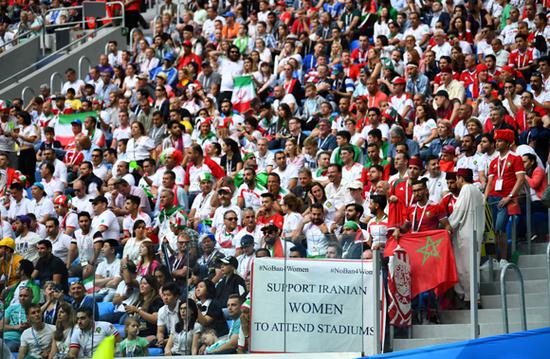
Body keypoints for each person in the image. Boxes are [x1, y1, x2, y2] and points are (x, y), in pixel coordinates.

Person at [484, 129, 525, 264]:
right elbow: (490, 182)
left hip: (506, 199)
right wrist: (485, 198)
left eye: (500, 141)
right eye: (496, 141)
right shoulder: (494, 161)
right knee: (491, 231)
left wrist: (510, 196)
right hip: (492, 199)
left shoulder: (515, 158)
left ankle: (503, 259)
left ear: (508, 143)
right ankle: (494, 259)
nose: (497, 143)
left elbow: (520, 179)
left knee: (499, 229)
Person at [448, 168, 485, 307]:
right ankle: (472, 297)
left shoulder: (466, 189)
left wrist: (447, 225)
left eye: (457, 179)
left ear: (461, 178)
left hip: (467, 234)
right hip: (474, 232)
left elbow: (459, 211)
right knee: (470, 266)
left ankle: (473, 298)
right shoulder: (477, 191)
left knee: (466, 267)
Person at [2, 287, 33, 351]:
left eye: (25, 296)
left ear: (32, 297)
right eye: (20, 296)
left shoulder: (34, 310)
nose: (22, 298)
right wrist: (16, 327)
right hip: (7, 339)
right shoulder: (11, 308)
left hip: (22, 340)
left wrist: (28, 327)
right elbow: (1, 326)